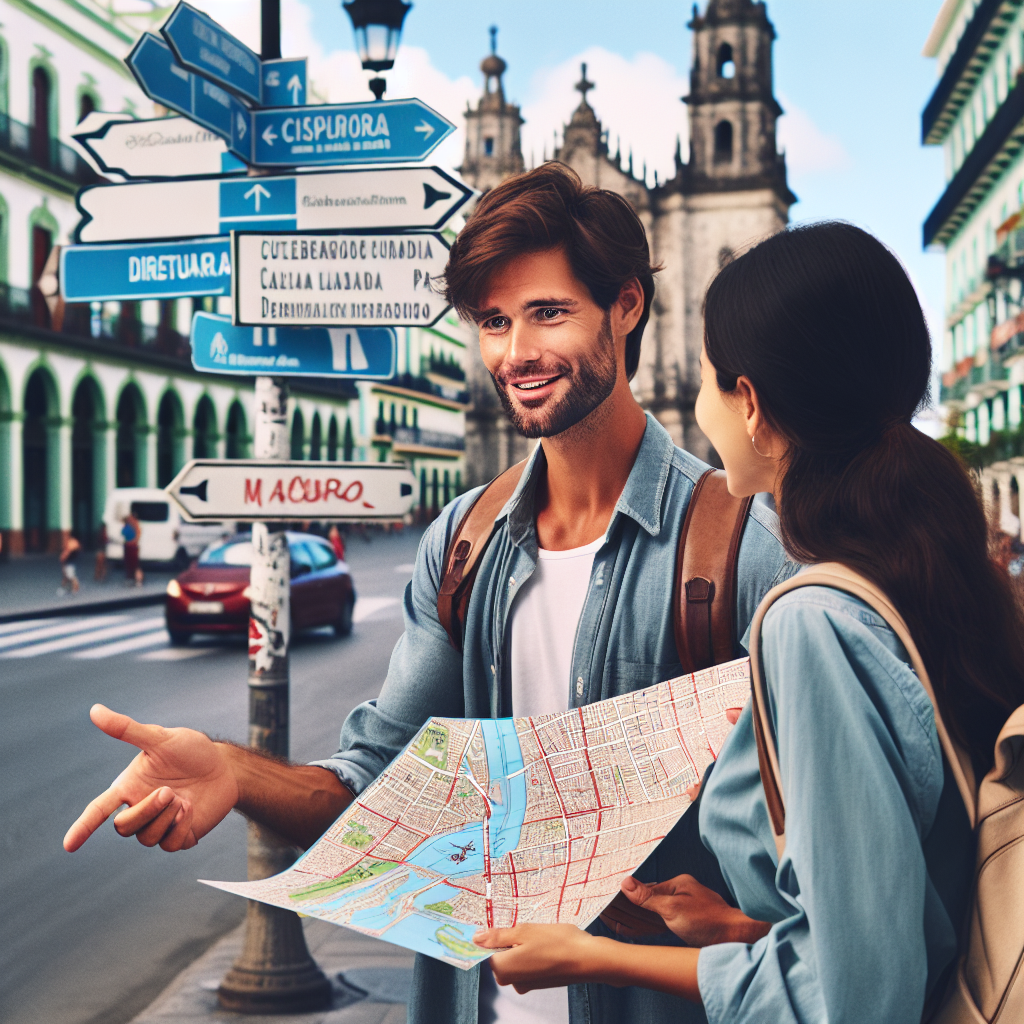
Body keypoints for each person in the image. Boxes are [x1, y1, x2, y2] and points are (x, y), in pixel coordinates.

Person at [63, 164, 796, 1024]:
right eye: (493, 321)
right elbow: (382, 789)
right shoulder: (461, 543)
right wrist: (233, 771)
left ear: (626, 306)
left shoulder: (746, 549)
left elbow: (826, 893)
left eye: (548, 313)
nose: (515, 352)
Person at [469, 222, 1024, 1024]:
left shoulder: (811, 624)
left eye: (704, 379)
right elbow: (909, 897)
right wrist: (739, 926)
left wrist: (599, 957)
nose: (698, 407)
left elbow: (853, 998)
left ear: (752, 404)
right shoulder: (928, 575)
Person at [122, 512, 142, 587]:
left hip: (131, 546)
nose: (129, 519)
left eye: (130, 518)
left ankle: (137, 580)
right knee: (130, 564)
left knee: (133, 564)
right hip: (130, 546)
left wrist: (132, 541)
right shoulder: (132, 525)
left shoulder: (134, 525)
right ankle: (133, 579)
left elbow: (123, 533)